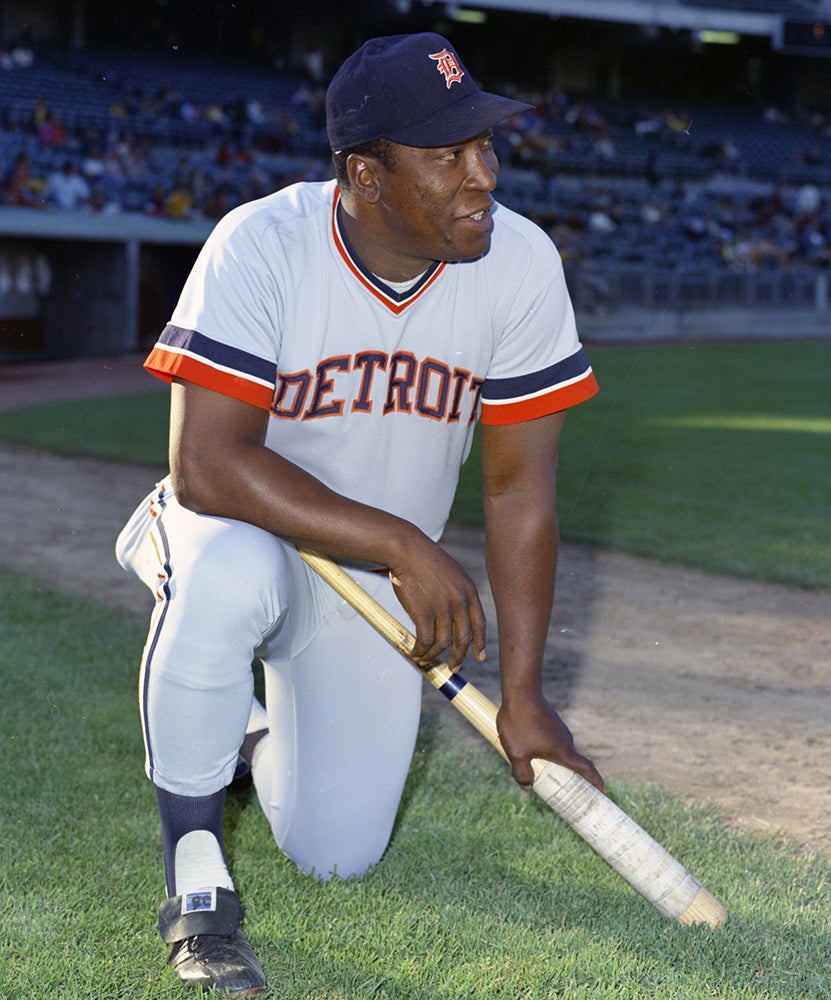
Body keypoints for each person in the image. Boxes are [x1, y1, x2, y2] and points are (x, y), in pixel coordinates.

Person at [116, 32, 604, 997]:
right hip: (244, 525)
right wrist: (399, 537)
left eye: (485, 147)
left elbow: (519, 490)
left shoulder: (520, 264)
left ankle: (252, 735)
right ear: (364, 174)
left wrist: (524, 694)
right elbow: (210, 462)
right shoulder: (261, 242)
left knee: (336, 855)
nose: (483, 178)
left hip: (371, 588)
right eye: (447, 155)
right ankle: (197, 884)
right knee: (228, 577)